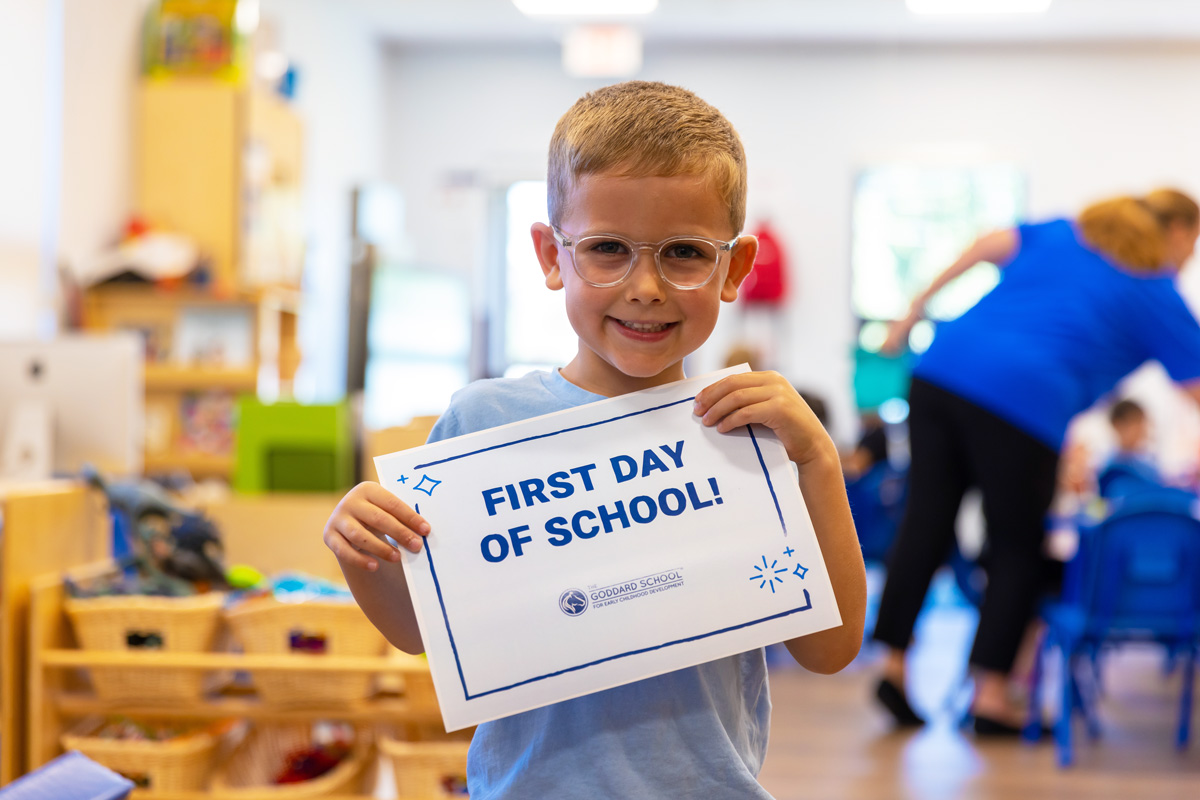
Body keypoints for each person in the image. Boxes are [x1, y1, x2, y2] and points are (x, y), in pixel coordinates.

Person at [322, 81, 867, 798]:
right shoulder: (483, 424)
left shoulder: (747, 436)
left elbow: (829, 650)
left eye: (683, 252)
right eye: (607, 249)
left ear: (733, 268)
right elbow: (424, 633)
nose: (646, 286)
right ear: (551, 255)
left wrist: (817, 460)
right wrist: (364, 553)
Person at [871, 189, 1200, 735]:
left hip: (940, 371)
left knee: (925, 522)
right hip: (1023, 404)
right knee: (1018, 547)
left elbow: (983, 246)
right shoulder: (1154, 286)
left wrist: (913, 312)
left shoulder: (1066, 232)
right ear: (1175, 234)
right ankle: (992, 697)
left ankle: (894, 667)